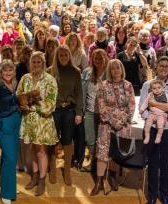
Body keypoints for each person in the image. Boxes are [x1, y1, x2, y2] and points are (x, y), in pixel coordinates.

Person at [139, 57, 168, 204]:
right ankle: (152, 194)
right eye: (161, 65)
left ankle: (163, 194)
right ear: (156, 67)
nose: (164, 68)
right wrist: (151, 117)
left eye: (166, 66)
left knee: (166, 163)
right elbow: (143, 109)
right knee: (152, 162)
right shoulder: (147, 85)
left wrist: (153, 103)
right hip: (152, 129)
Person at [91, 59, 136, 195]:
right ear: (109, 71)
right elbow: (101, 106)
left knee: (117, 153)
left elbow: (132, 106)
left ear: (122, 69)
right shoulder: (103, 85)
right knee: (102, 154)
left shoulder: (128, 85)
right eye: (112, 69)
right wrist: (112, 121)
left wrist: (121, 121)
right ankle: (99, 181)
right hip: (106, 125)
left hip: (122, 126)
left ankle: (112, 176)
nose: (115, 71)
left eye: (118, 68)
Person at [17, 51, 59, 196]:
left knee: (41, 151)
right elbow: (18, 95)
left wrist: (37, 101)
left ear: (43, 63)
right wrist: (22, 104)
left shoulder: (50, 80)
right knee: (32, 150)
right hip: (28, 119)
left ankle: (42, 180)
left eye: (38, 62)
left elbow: (51, 104)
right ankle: (34, 177)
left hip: (43, 120)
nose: (36, 64)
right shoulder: (25, 78)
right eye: (33, 62)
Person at [47, 45, 83, 186]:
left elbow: (79, 94)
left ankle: (66, 170)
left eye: (65, 55)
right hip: (54, 110)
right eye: (60, 55)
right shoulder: (50, 71)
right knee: (53, 140)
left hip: (69, 111)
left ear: (69, 56)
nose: (63, 57)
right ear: (57, 56)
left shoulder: (75, 72)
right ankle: (52, 168)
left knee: (68, 140)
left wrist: (79, 112)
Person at [0, 60, 21, 204]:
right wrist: (0, 124)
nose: (8, 73)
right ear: (0, 72)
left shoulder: (13, 86)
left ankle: (8, 186)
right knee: (10, 158)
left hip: (16, 122)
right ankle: (7, 193)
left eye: (11, 70)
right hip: (4, 125)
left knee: (8, 158)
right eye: (5, 70)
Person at [80, 49, 108, 174]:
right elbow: (81, 92)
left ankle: (102, 165)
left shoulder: (109, 73)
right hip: (90, 111)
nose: (97, 61)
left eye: (100, 58)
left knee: (102, 140)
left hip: (104, 113)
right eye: (95, 58)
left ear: (105, 58)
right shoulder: (87, 72)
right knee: (90, 138)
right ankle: (93, 161)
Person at [140, 80, 168, 144]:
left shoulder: (166, 96)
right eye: (154, 88)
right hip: (152, 114)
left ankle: (158, 136)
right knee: (147, 125)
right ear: (151, 89)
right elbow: (145, 102)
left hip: (161, 114)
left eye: (159, 88)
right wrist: (142, 109)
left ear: (162, 88)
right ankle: (147, 136)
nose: (157, 90)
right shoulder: (150, 95)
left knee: (160, 125)